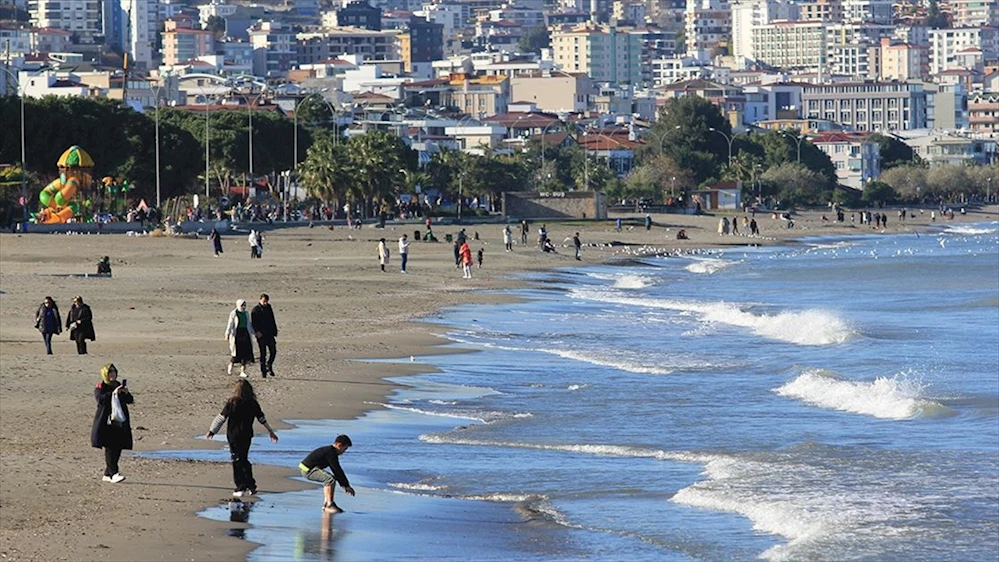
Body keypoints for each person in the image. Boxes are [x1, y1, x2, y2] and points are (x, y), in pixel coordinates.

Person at [205, 379, 279, 498]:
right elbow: (261, 418)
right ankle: (251, 485)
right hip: (246, 435)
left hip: (233, 436)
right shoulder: (252, 403)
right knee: (243, 459)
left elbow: (221, 418)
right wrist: (270, 432)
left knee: (237, 460)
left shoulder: (232, 402)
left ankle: (241, 486)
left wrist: (212, 431)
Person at [91, 363, 133, 483]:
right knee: (110, 447)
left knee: (118, 446)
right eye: (110, 372)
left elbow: (130, 400)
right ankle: (114, 473)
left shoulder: (118, 385)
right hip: (106, 420)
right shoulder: (101, 386)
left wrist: (125, 393)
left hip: (119, 420)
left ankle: (107, 473)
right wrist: (114, 393)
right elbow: (100, 399)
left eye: (114, 371)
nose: (112, 374)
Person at [299, 435, 355, 514]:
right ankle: (329, 504)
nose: (344, 452)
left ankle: (326, 503)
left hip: (309, 469)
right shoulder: (330, 453)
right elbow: (336, 469)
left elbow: (336, 470)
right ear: (339, 445)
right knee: (329, 479)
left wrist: (344, 485)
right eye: (344, 449)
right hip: (308, 470)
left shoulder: (330, 451)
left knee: (330, 479)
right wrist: (346, 485)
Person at [225, 299, 255, 377]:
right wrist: (227, 334)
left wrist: (254, 332)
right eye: (242, 305)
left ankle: (242, 371)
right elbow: (230, 324)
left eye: (244, 305)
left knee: (245, 353)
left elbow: (249, 324)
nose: (243, 307)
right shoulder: (234, 313)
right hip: (237, 334)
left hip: (245, 333)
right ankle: (231, 365)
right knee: (236, 353)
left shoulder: (246, 313)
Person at [251, 294, 278, 378]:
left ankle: (269, 365)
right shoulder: (255, 310)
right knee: (263, 353)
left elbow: (272, 319)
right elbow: (253, 323)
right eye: (264, 301)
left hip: (269, 333)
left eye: (266, 301)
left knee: (273, 351)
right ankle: (263, 371)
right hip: (261, 335)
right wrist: (257, 332)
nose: (265, 303)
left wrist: (275, 330)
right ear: (260, 300)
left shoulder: (269, 308)